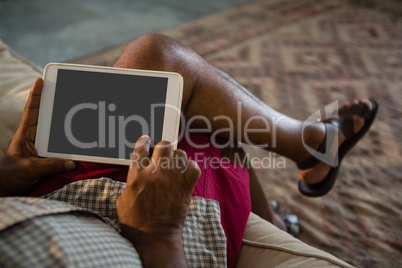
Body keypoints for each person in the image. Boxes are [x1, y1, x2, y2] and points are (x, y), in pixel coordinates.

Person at [0, 33, 377, 267]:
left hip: (52, 198)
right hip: (139, 242)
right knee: (190, 110)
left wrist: (10, 173)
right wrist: (158, 234)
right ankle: (310, 145)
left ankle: (309, 150)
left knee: (160, 77)